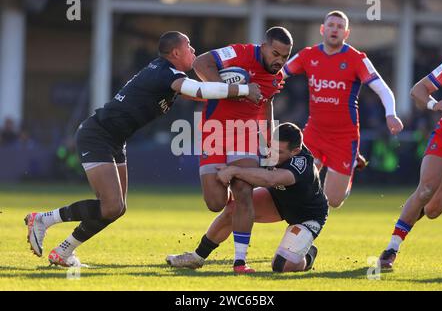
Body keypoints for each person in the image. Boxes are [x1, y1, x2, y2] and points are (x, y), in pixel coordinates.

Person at [24, 31, 261, 267]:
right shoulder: (164, 72)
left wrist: (235, 88)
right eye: (189, 47)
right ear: (176, 52)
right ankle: (44, 219)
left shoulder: (169, 75)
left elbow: (202, 94)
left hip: (115, 140)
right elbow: (200, 91)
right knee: (111, 205)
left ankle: (64, 252)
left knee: (116, 209)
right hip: (97, 135)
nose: (194, 51)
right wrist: (243, 90)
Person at [192, 27, 293, 273]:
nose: (279, 61)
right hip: (213, 133)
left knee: (243, 193)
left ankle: (240, 261)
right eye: (276, 54)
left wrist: (269, 140)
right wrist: (229, 90)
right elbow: (200, 63)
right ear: (264, 46)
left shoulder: (276, 77)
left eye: (285, 57)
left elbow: (267, 105)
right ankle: (228, 196)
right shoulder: (238, 53)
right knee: (216, 203)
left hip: (245, 137)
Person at [166, 123, 328, 273]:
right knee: (234, 209)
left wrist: (234, 171)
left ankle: (308, 255)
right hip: (278, 199)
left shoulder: (302, 163)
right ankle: (196, 257)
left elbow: (270, 179)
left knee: (281, 265)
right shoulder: (270, 144)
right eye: (272, 147)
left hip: (307, 216)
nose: (272, 153)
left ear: (295, 151)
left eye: (280, 152)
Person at [283, 10, 403, 208]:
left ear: (346, 33)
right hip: (314, 132)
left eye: (340, 27)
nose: (334, 30)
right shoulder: (308, 55)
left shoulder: (357, 59)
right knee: (300, 185)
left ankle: (351, 165)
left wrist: (391, 114)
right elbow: (281, 74)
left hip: (344, 137)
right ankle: (303, 233)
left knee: (333, 201)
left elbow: (383, 89)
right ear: (322, 29)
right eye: (330, 25)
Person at [379, 59, 442, 269]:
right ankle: (392, 248)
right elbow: (418, 90)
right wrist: (434, 104)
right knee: (426, 189)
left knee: (433, 210)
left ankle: (415, 209)